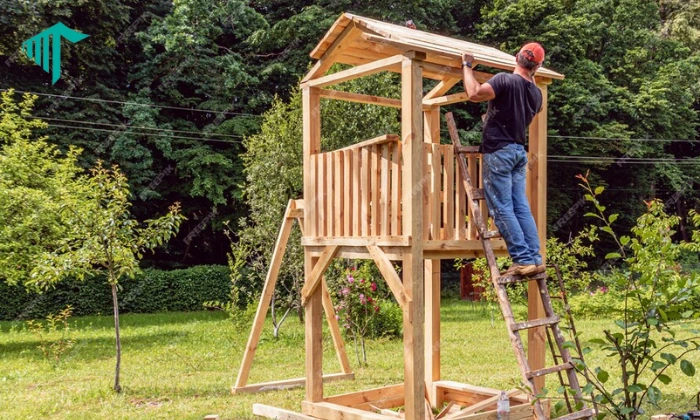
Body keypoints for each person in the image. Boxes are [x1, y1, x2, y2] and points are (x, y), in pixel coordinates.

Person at [460, 42, 546, 277]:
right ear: (537, 67)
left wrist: (467, 66)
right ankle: (535, 259)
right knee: (520, 207)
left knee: (502, 208)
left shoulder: (504, 80)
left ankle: (522, 259)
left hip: (499, 151)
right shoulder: (537, 95)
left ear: (517, 57)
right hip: (519, 153)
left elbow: (474, 93)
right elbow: (523, 105)